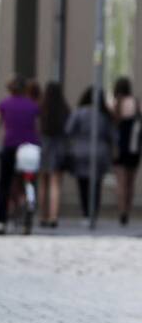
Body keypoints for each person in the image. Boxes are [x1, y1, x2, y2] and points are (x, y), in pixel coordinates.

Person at [0, 76, 40, 234]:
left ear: (9, 89)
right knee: (29, 179)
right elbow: (38, 127)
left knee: (4, 183)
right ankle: (28, 203)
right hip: (29, 147)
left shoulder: (4, 104)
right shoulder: (33, 105)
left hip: (10, 146)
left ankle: (0, 221)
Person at [66, 86, 115, 222]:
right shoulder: (104, 115)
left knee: (83, 185)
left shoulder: (79, 112)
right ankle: (93, 213)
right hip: (100, 152)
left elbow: (68, 130)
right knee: (96, 185)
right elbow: (112, 136)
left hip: (80, 152)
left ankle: (86, 214)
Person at [37, 81, 70, 228]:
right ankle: (53, 216)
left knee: (43, 183)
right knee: (55, 183)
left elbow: (36, 127)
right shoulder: (64, 109)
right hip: (59, 147)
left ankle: (42, 215)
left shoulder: (41, 108)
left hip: (43, 146)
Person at [112, 77, 141, 225]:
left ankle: (121, 210)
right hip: (134, 147)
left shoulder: (115, 105)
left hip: (119, 148)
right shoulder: (135, 103)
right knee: (131, 182)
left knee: (121, 183)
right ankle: (127, 210)